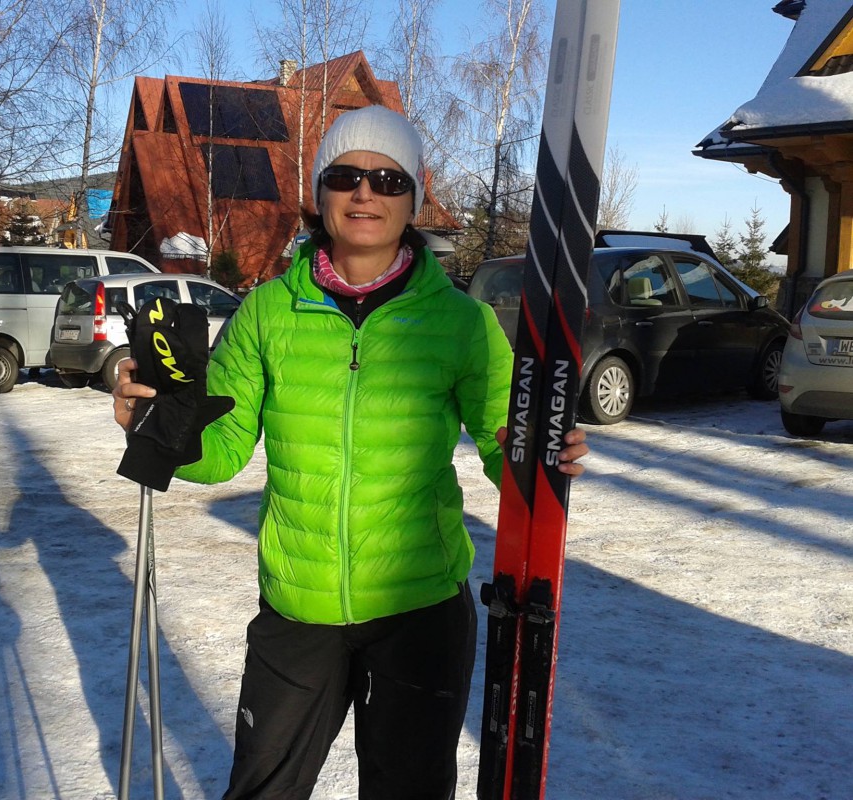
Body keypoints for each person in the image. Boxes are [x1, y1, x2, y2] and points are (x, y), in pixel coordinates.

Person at [113, 105, 588, 799]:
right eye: (344, 177)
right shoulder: (267, 312)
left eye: (388, 180)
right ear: (319, 192)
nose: (365, 193)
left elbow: (502, 443)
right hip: (297, 606)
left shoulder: (461, 322)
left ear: (413, 201)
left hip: (418, 609)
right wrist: (153, 421)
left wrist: (542, 453)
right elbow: (220, 450)